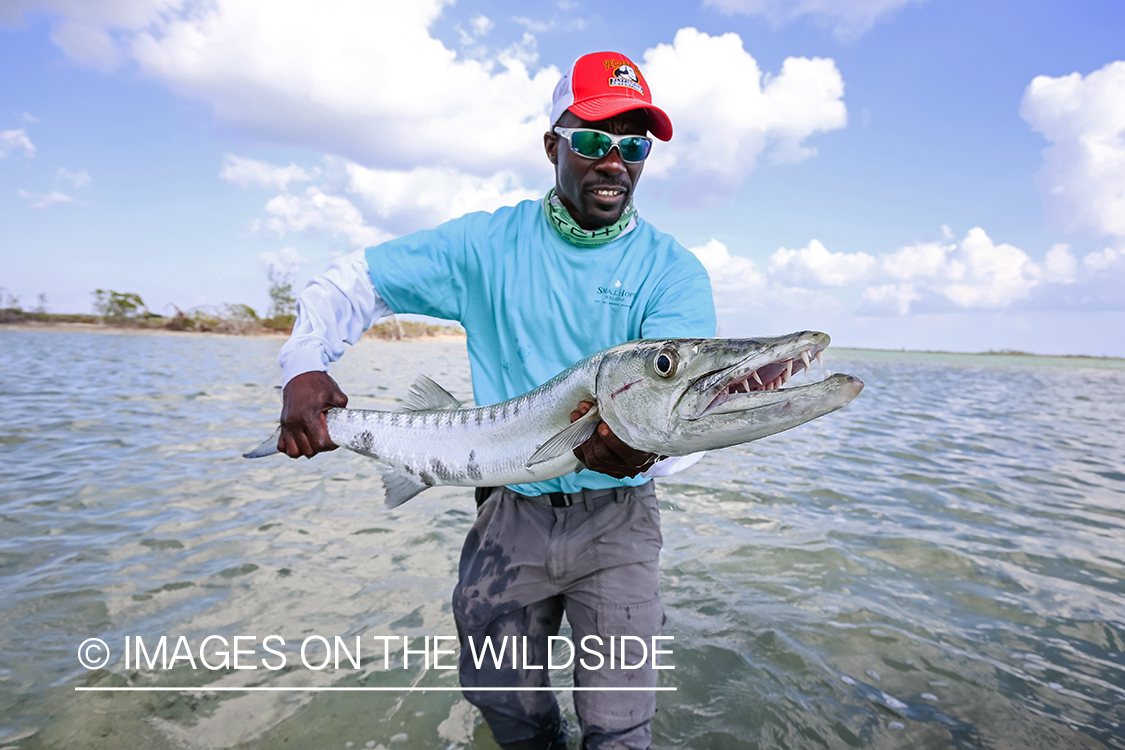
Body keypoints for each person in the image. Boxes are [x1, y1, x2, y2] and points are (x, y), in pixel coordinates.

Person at [276, 51, 716, 750]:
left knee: (619, 726)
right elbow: (351, 282)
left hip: (618, 521)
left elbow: (672, 405)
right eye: (595, 141)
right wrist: (302, 367)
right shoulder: (485, 245)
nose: (615, 162)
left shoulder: (670, 273)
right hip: (506, 511)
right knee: (503, 703)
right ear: (553, 145)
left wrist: (646, 454)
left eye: (633, 146)